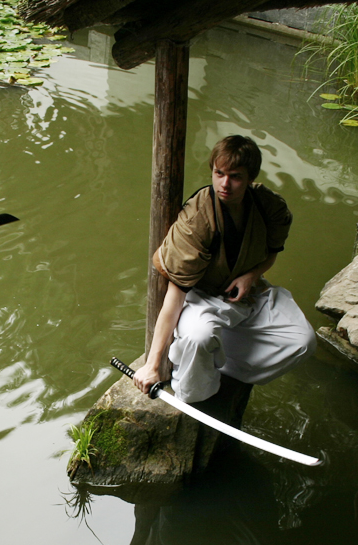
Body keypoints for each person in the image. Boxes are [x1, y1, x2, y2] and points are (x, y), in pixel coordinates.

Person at [134, 135, 315, 403]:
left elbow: (271, 253)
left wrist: (251, 276)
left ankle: (220, 361)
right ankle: (196, 391)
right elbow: (175, 295)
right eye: (219, 173)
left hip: (245, 292)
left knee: (302, 341)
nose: (225, 184)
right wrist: (152, 363)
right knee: (198, 337)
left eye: (236, 176)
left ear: (250, 177)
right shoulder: (197, 219)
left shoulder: (268, 207)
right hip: (201, 297)